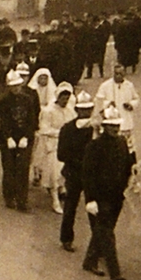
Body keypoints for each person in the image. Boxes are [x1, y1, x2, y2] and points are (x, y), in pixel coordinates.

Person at [82, 106, 133, 280]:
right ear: (104, 126)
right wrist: (90, 199)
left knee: (103, 231)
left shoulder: (122, 142)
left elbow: (128, 165)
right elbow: (88, 175)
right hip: (100, 196)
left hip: (117, 196)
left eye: (117, 125)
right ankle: (115, 271)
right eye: (111, 125)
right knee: (107, 233)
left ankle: (89, 261)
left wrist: (129, 184)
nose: (115, 129)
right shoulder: (94, 146)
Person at [0, 70, 39, 212]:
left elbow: (32, 119)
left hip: (24, 138)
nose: (16, 88)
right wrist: (8, 137)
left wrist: (26, 136)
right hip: (8, 139)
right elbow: (2, 121)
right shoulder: (4, 101)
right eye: (13, 86)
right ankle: (9, 197)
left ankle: (22, 201)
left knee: (23, 169)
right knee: (9, 169)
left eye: (18, 85)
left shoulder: (28, 100)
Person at [58, 91, 96, 252]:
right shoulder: (67, 129)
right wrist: (80, 162)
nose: (85, 113)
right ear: (76, 110)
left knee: (94, 209)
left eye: (88, 109)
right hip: (74, 173)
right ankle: (66, 238)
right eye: (82, 109)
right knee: (70, 207)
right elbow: (61, 154)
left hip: (92, 176)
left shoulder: (96, 130)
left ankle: (98, 244)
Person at [36, 82, 76, 213]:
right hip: (53, 146)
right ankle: (55, 200)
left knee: (66, 172)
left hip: (68, 146)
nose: (65, 101)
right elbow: (44, 129)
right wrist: (61, 133)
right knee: (54, 173)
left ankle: (62, 189)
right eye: (63, 98)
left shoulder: (70, 111)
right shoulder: (48, 111)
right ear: (57, 97)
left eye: (67, 98)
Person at [95, 63, 140, 159]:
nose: (118, 76)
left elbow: (136, 98)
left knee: (127, 148)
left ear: (124, 74)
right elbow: (98, 100)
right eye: (116, 73)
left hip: (125, 119)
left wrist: (131, 104)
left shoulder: (129, 85)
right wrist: (107, 104)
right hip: (110, 120)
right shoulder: (105, 85)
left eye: (120, 74)